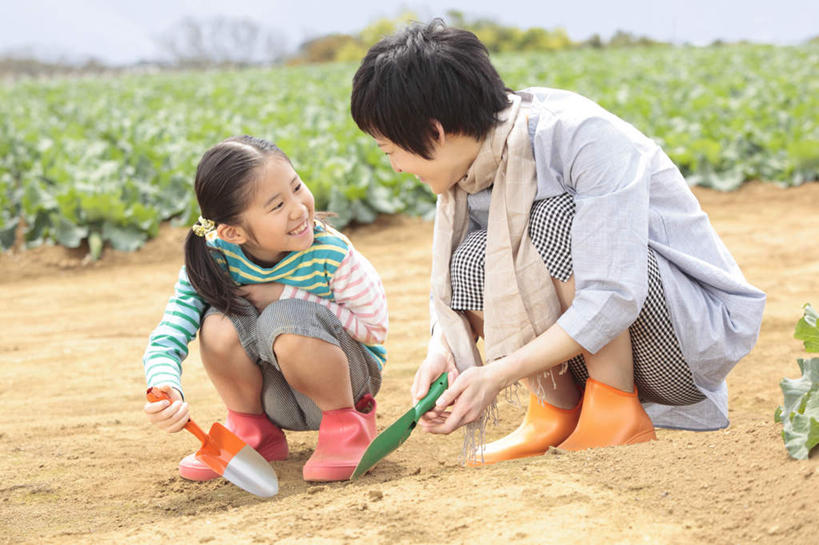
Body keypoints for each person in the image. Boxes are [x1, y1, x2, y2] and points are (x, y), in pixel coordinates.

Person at [350, 20, 765, 464]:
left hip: (686, 336)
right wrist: (443, 349)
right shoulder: (471, 164)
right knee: (473, 258)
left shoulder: (578, 136)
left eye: (389, 148)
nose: (393, 165)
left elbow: (614, 294)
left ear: (434, 133)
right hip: (604, 338)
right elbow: (457, 289)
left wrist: (498, 372)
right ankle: (555, 410)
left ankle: (613, 409)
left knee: (551, 217)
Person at [142, 135, 388, 481]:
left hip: (347, 384)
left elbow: (374, 329)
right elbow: (170, 332)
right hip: (277, 397)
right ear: (233, 234)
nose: (299, 208)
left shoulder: (332, 255)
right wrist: (164, 384)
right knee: (217, 324)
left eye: (297, 187)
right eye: (277, 206)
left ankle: (347, 430)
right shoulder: (215, 257)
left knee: (285, 315)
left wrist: (285, 294)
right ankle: (253, 433)